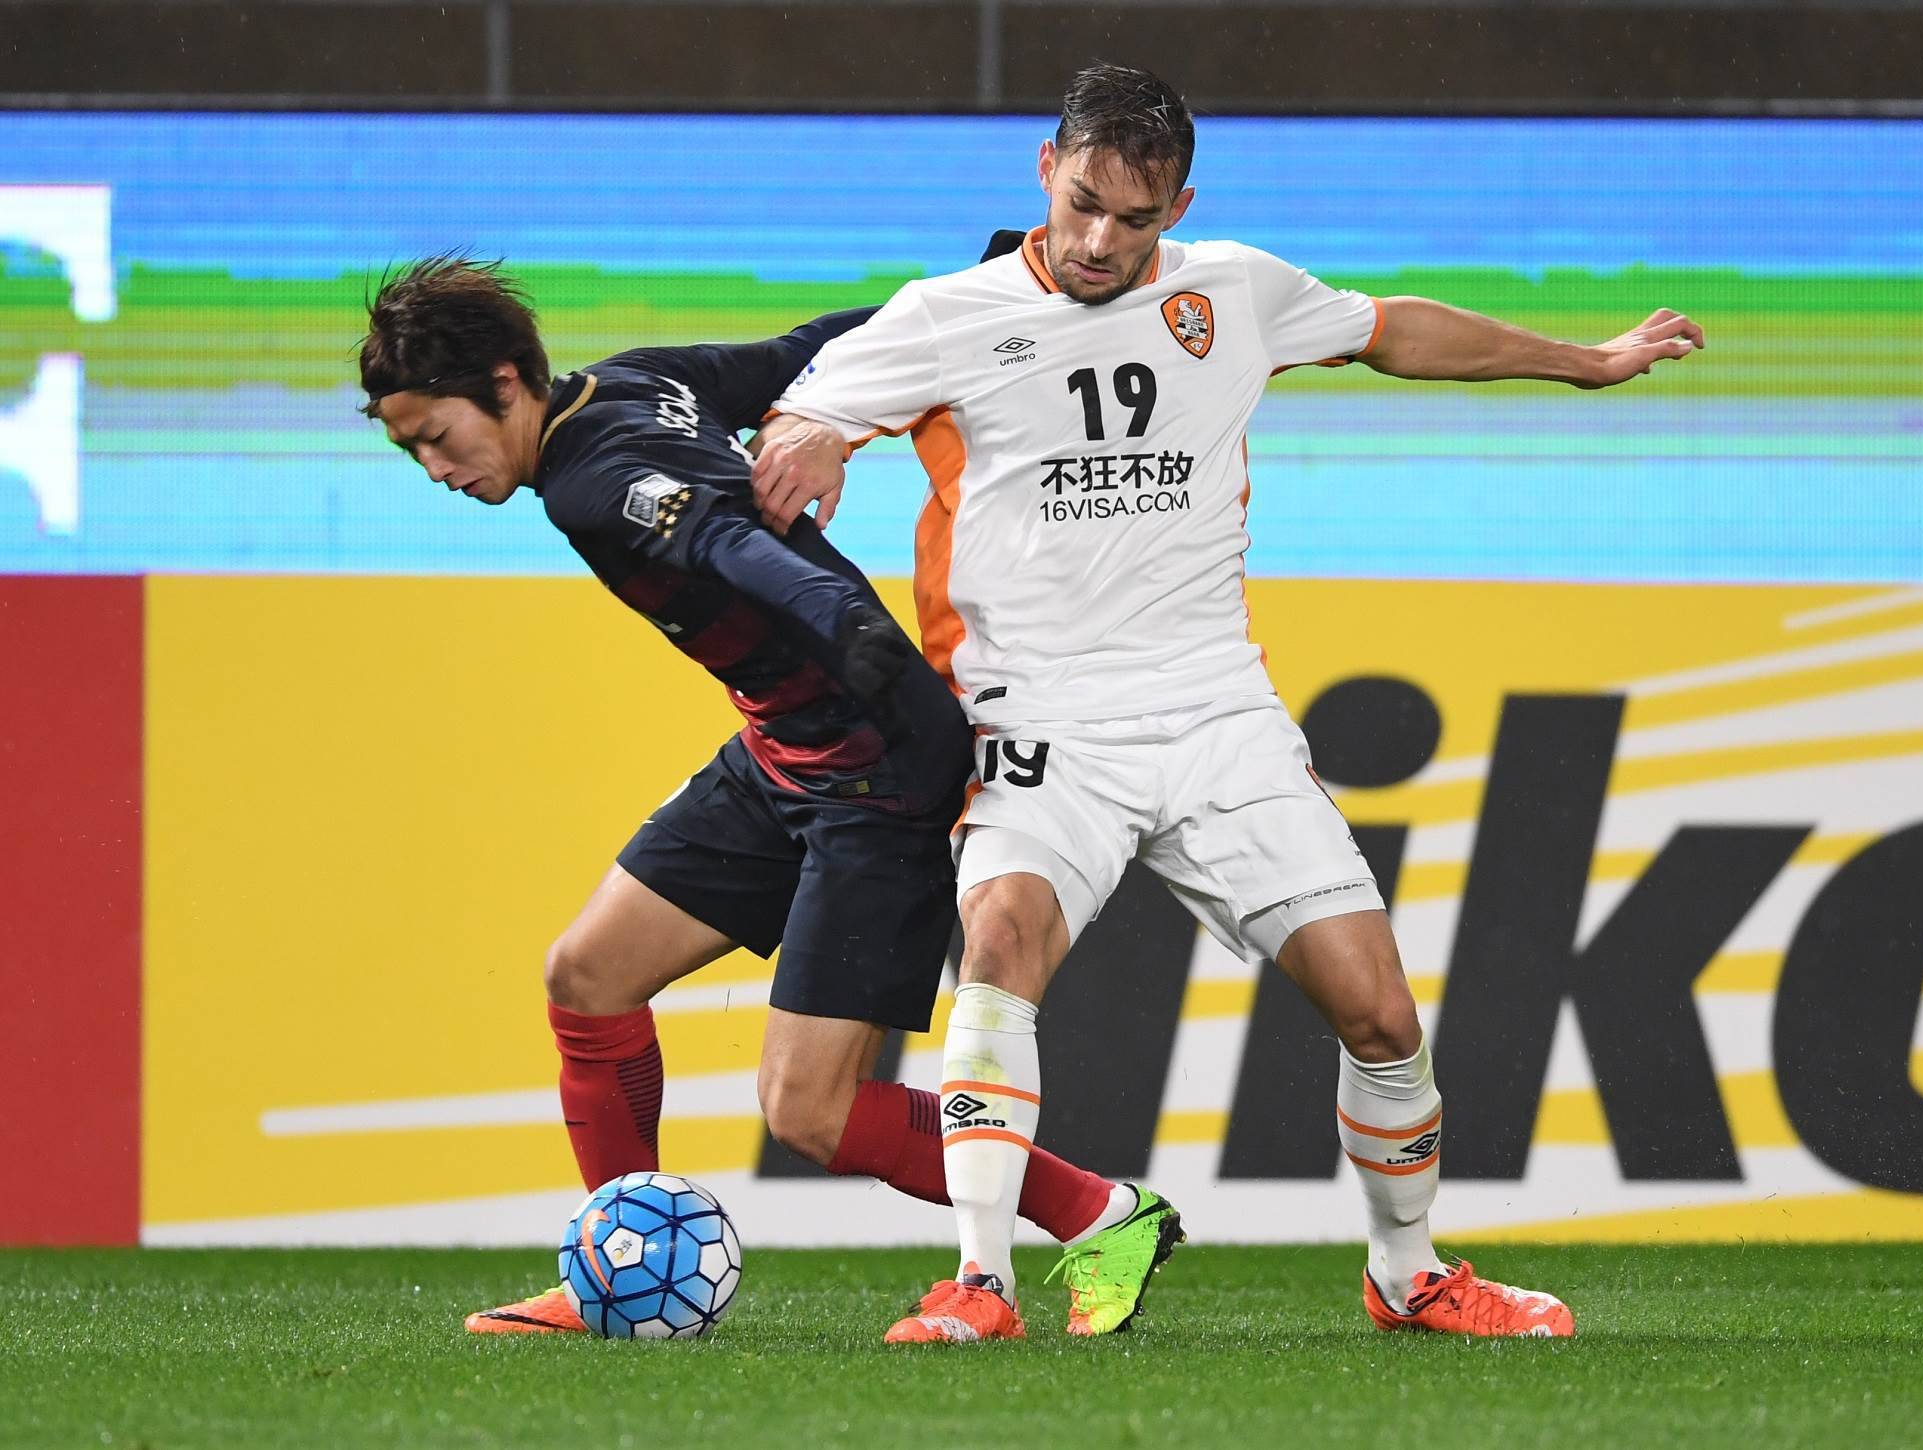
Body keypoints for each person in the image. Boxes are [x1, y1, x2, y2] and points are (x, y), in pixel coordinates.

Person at [753, 63, 1705, 1344]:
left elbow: (1391, 329)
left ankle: (1407, 1272)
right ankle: (981, 1281)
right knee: (998, 947)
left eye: (1134, 218)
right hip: (1038, 722)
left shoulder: (1233, 292)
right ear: (1045, 169)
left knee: (1377, 1009)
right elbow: (804, 408)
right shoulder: (947, 314)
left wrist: (1582, 362)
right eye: (1083, 204)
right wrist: (808, 433)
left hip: (1215, 716)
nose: (1100, 241)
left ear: (1179, 207)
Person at [357, 256, 1184, 1338]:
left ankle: (1099, 1213)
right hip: (787, 750)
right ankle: (608, 1267)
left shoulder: (589, 482)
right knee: (588, 978)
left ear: (506, 382)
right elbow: (809, 354)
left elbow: (721, 539)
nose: (433, 467)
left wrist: (837, 619)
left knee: (808, 1111)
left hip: (878, 766)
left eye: (435, 435)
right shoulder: (637, 381)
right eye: (410, 448)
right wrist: (981, 298)